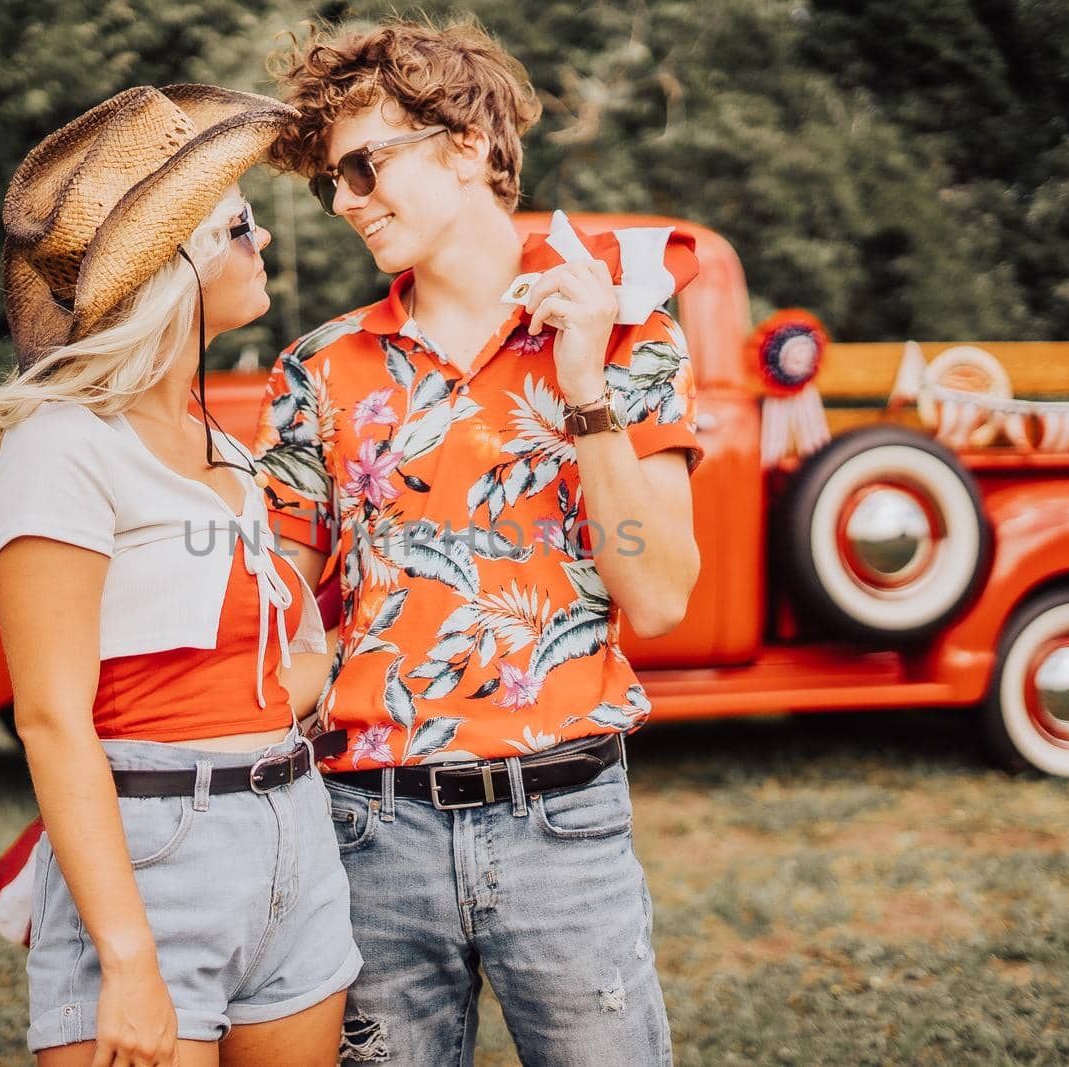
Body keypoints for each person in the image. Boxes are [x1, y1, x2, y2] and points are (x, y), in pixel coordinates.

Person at [253, 18, 703, 1066]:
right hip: (370, 829)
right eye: (332, 184)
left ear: (465, 144)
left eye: (364, 168)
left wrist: (584, 386)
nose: (346, 203)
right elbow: (274, 614)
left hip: (564, 822)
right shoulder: (318, 371)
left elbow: (662, 595)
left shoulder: (634, 336)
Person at [0, 85, 361, 1067]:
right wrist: (126, 957)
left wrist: (363, 643)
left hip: (293, 836)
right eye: (238, 225)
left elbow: (252, 681)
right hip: (153, 853)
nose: (260, 241)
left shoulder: (226, 450)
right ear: (175, 263)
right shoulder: (62, 444)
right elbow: (51, 717)